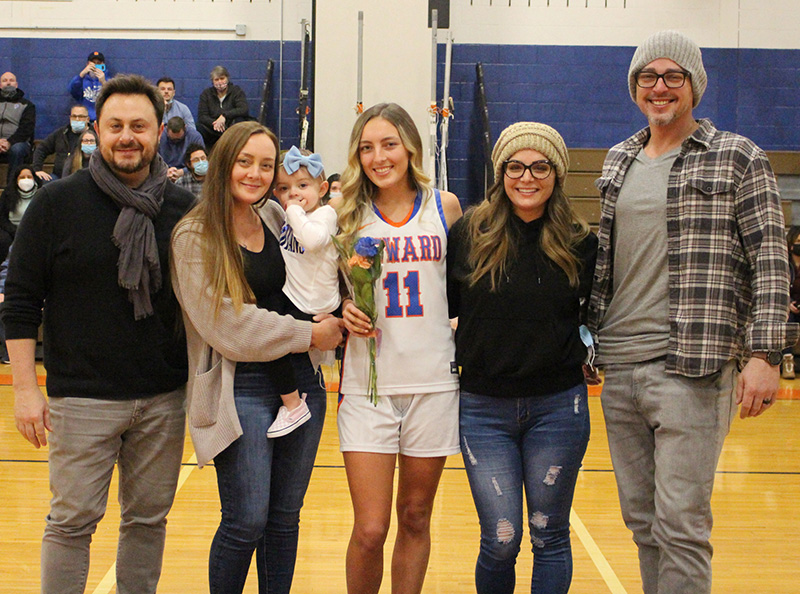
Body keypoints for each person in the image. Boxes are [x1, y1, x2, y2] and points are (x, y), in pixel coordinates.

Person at [587, 30, 799, 594]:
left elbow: (772, 263)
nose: (660, 88)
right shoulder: (618, 160)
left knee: (681, 523)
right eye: (648, 78)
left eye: (672, 77)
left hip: (694, 366)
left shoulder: (739, 156)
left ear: (694, 86)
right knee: (644, 524)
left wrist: (765, 354)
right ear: (635, 89)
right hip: (620, 366)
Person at [2, 73, 195, 594]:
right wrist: (25, 390)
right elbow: (20, 303)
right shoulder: (54, 204)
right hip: (80, 399)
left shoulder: (183, 211)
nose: (126, 136)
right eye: (115, 126)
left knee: (147, 522)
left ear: (159, 132)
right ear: (96, 130)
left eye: (139, 125)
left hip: (162, 399)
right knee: (70, 525)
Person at [170, 120, 343, 594]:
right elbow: (228, 325)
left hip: (300, 383)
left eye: (266, 164)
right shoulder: (193, 235)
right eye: (245, 161)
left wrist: (346, 299)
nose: (256, 173)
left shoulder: (272, 214)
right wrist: (309, 333)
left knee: (285, 519)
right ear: (224, 161)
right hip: (238, 385)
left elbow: (312, 271)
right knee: (246, 520)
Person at [447, 122, 597, 594]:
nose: (526, 176)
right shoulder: (469, 233)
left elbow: (597, 315)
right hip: (484, 408)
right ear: (500, 173)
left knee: (549, 534)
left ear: (556, 174)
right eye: (515, 166)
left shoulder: (580, 242)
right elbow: (446, 309)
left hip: (558, 408)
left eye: (539, 166)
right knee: (500, 538)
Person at [337, 102, 462, 594]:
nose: (378, 156)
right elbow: (324, 292)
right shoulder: (345, 213)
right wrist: (340, 311)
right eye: (366, 148)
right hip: (368, 385)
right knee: (370, 529)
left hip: (433, 383)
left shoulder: (444, 207)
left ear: (410, 147)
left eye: (389, 144)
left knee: (414, 516)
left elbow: (462, 288)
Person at [266, 145, 340, 437]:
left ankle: (294, 404)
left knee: (272, 340)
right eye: (285, 188)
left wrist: (294, 209)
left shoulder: (324, 215)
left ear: (322, 189)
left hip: (314, 302)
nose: (294, 193)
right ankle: (294, 400)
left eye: (303, 185)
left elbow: (311, 240)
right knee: (268, 332)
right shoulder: (291, 215)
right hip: (296, 294)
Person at [32, 104, 90, 183]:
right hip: (58, 177)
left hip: (84, 177)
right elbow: (41, 149)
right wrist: (37, 170)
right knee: (45, 183)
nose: (77, 119)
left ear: (87, 119)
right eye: (74, 116)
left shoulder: (94, 136)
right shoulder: (61, 133)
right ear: (70, 118)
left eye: (80, 116)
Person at [197, 66, 249, 151]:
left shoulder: (236, 91)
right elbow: (202, 116)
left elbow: (243, 109)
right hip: (213, 128)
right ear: (212, 81)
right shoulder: (206, 94)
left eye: (222, 78)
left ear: (227, 78)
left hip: (231, 128)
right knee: (198, 127)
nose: (220, 82)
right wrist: (216, 124)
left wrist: (224, 116)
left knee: (240, 121)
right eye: (216, 80)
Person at [0, 71, 36, 185]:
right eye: (5, 81)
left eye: (11, 80)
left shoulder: (27, 105)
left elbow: (26, 129)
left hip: (18, 143)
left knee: (17, 149)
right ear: (0, 85)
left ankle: (11, 188)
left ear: (16, 84)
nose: (8, 83)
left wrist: (9, 142)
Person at [0, 163, 41, 261]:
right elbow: (2, 217)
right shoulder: (8, 194)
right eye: (22, 177)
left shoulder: (42, 193)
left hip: (34, 229)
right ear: (16, 180)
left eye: (29, 177)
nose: (26, 180)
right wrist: (14, 230)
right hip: (11, 230)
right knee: (3, 240)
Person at [158, 116, 205, 181]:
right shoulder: (160, 137)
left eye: (179, 139)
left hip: (189, 172)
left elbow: (201, 162)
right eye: (172, 139)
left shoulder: (195, 137)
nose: (175, 142)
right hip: (164, 172)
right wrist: (166, 171)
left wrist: (183, 171)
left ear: (185, 128)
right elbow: (152, 161)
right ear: (166, 129)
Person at [68, 51, 108, 121]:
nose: (95, 66)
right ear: (87, 64)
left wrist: (103, 82)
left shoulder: (109, 80)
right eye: (93, 63)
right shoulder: (82, 80)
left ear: (103, 65)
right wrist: (81, 75)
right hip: (85, 120)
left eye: (98, 63)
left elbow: (113, 99)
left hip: (102, 120)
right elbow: (72, 91)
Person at [783, 226, 800, 379]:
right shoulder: (784, 263)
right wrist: (788, 303)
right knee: (787, 317)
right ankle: (787, 360)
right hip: (787, 305)